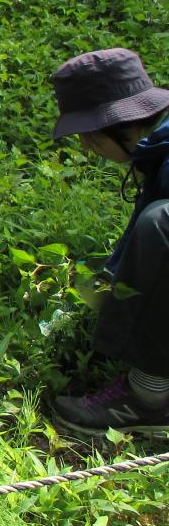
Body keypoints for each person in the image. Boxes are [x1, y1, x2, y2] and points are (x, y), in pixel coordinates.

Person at [49, 47, 169, 435]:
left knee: (162, 224)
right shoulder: (159, 148)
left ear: (119, 124)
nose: (87, 147)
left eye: (89, 136)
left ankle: (148, 397)